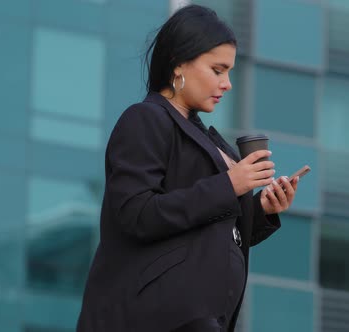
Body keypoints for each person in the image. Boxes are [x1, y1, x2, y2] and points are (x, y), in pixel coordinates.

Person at [76, 4, 299, 332]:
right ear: (179, 63)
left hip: (198, 319)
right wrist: (229, 185)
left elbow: (209, 237)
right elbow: (137, 214)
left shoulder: (210, 140)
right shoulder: (145, 119)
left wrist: (261, 209)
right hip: (154, 318)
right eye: (218, 70)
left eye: (230, 72)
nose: (227, 84)